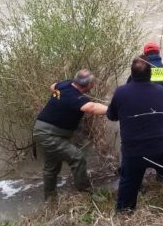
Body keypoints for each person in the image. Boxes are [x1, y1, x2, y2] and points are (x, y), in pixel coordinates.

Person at [107, 56, 163, 219]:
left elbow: (111, 116)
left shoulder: (121, 92)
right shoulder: (159, 90)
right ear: (150, 74)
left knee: (128, 182)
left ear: (131, 75)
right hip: (159, 149)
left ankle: (124, 214)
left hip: (132, 151)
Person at [33, 69, 108, 199]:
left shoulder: (64, 85)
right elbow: (92, 107)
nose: (93, 85)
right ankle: (86, 194)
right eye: (92, 83)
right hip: (48, 134)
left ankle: (50, 200)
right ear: (88, 85)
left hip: (44, 130)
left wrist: (59, 97)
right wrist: (117, 109)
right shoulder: (76, 98)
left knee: (52, 166)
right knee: (77, 158)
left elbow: (53, 86)